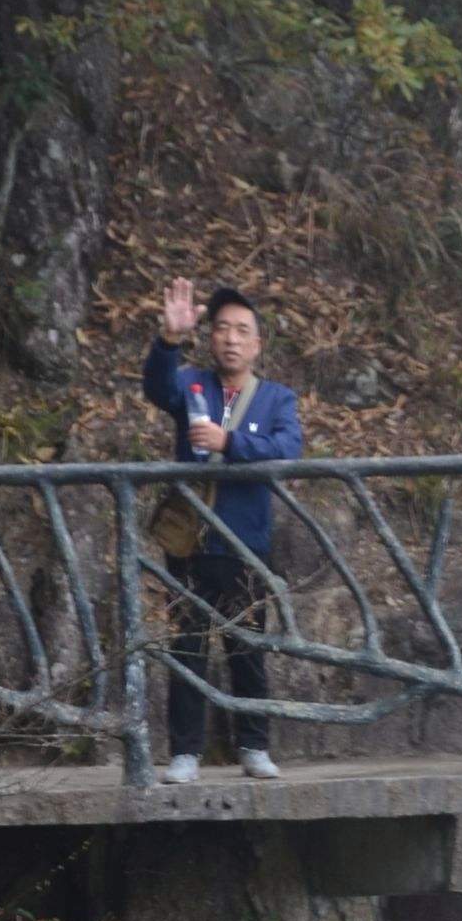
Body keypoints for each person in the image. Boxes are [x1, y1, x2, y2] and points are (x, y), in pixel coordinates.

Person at [142, 280, 305, 781]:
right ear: (211, 339)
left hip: (245, 543)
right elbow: (155, 388)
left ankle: (253, 746)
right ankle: (185, 753)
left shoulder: (277, 398)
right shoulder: (191, 384)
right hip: (190, 544)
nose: (231, 339)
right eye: (222, 330)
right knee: (186, 646)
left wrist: (228, 442)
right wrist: (169, 340)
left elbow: (287, 448)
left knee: (247, 648)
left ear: (257, 345)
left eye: (242, 331)